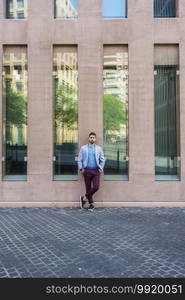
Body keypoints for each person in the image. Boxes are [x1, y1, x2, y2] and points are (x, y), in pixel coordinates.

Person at [77, 132, 105, 211]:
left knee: (96, 187)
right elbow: (79, 159)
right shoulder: (83, 148)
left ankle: (84, 197)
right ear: (89, 138)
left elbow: (102, 160)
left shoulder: (99, 148)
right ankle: (91, 204)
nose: (92, 139)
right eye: (91, 137)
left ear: (95, 139)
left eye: (93, 137)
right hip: (87, 170)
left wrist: (100, 168)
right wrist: (81, 169)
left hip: (96, 171)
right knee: (88, 187)